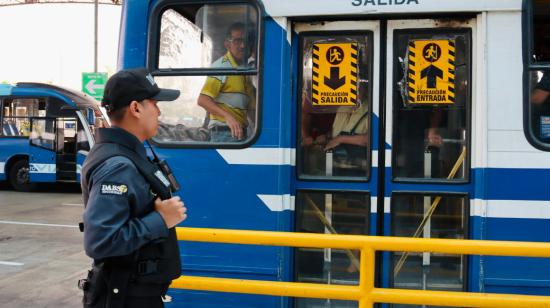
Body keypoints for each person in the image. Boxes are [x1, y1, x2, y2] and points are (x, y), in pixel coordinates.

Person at [80, 68, 187, 308]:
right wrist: (160, 220)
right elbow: (100, 241)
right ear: (136, 108)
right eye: (155, 103)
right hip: (126, 298)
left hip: (132, 293)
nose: (159, 111)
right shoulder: (117, 165)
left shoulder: (125, 154)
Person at [197, 22, 256, 142]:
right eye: (237, 41)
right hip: (224, 133)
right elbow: (203, 100)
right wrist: (228, 117)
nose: (243, 45)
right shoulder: (221, 66)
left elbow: (251, 109)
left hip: (239, 132)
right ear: (227, 45)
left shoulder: (245, 70)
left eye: (246, 41)